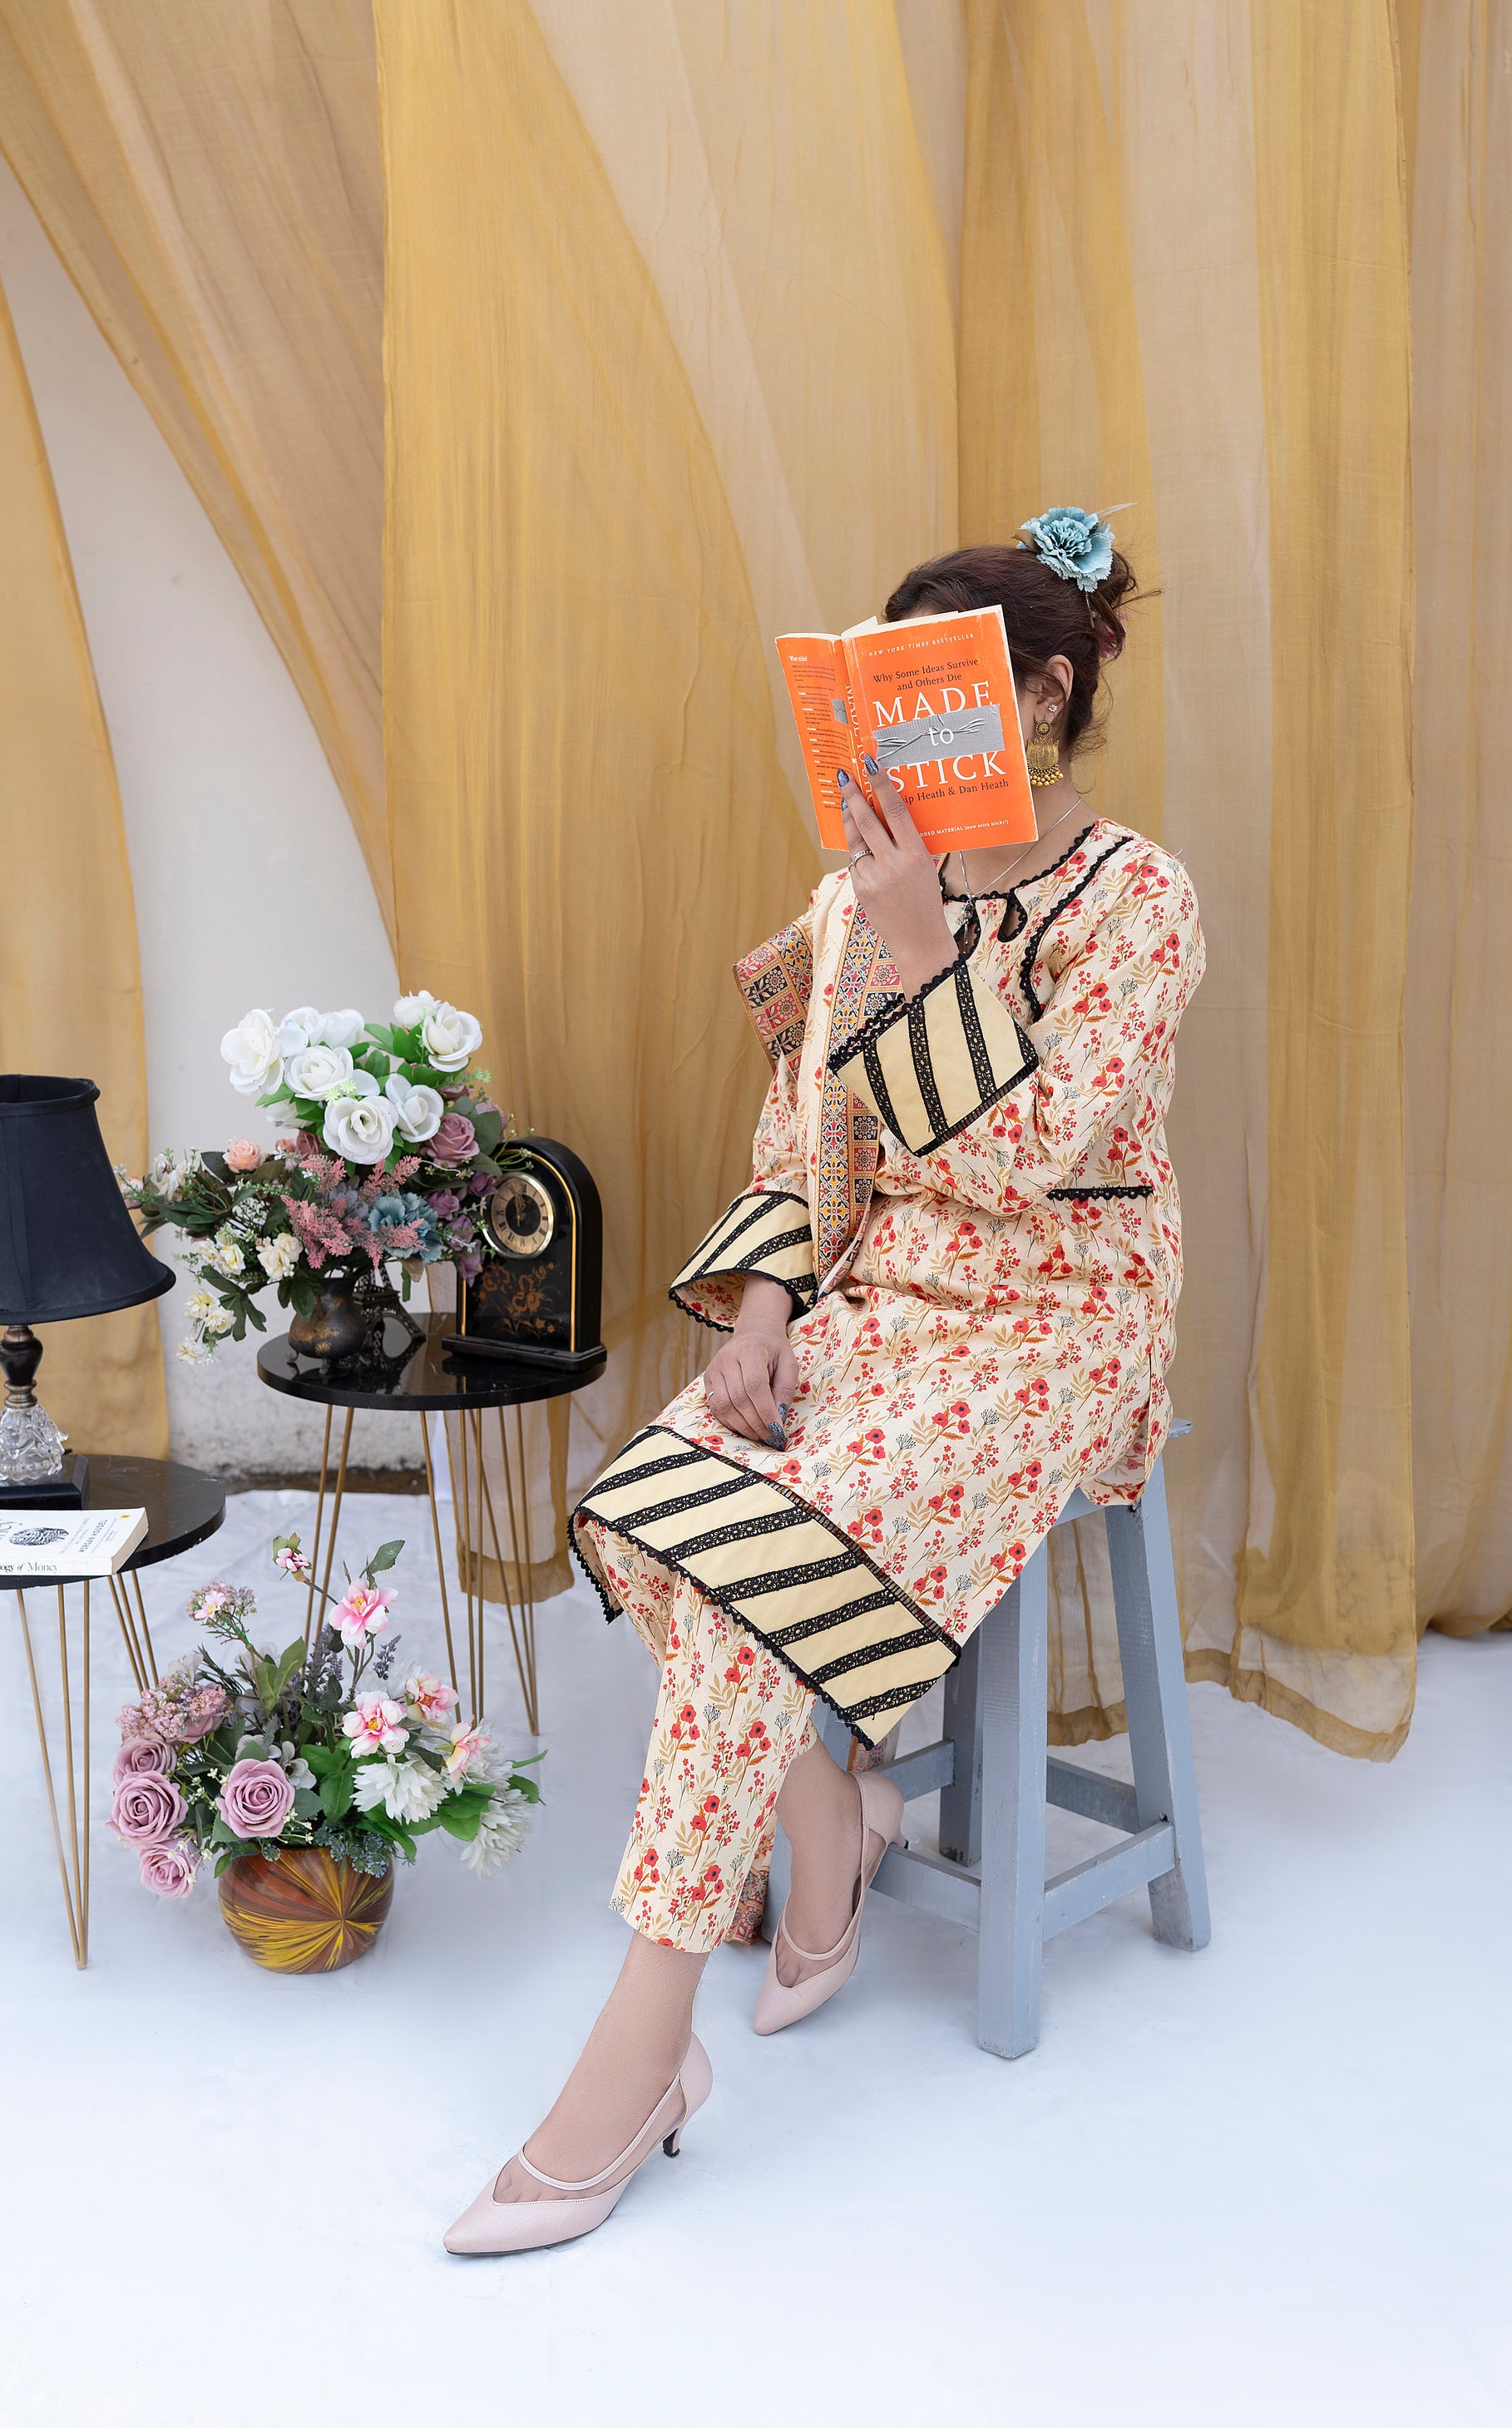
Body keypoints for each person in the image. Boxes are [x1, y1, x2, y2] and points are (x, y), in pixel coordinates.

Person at [445, 508, 1205, 2254]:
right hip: (877, 1295)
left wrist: (926, 942)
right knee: (636, 1508)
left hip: (1056, 1322)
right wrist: (764, 1310)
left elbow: (1032, 1157)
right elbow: (801, 1145)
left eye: (942, 695)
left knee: (737, 1571)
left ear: (1044, 693)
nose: (898, 744)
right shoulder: (852, 894)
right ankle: (828, 1816)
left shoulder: (1137, 899)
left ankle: (640, 2057)